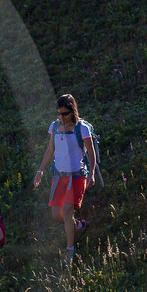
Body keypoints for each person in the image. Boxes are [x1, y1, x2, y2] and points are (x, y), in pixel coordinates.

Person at [32, 93, 98, 263]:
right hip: (59, 177)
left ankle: (70, 251)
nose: (61, 117)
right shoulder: (54, 126)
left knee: (67, 213)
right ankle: (79, 226)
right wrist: (40, 171)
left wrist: (91, 174)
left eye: (65, 114)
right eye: (59, 113)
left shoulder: (82, 128)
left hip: (76, 177)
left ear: (72, 111)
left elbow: (91, 153)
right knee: (57, 215)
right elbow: (50, 150)